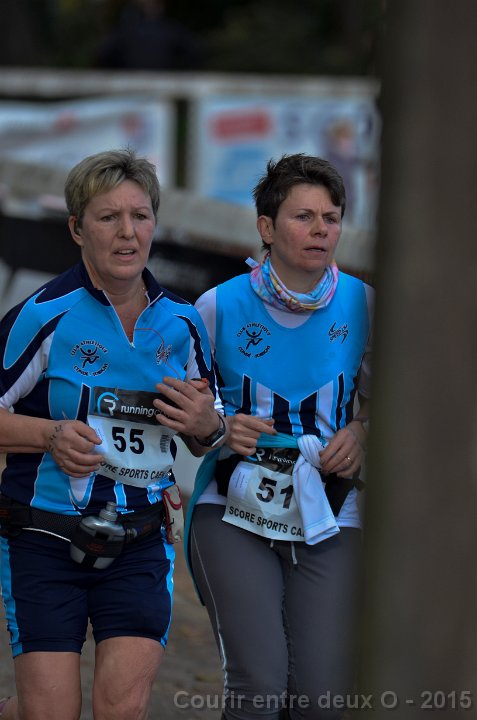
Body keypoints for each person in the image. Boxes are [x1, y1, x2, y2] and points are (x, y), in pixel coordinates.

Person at [0, 148, 227, 720]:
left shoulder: (183, 322)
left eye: (140, 216)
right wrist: (49, 435)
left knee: (121, 709)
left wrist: (206, 426)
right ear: (78, 229)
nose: (128, 232)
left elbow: (208, 432)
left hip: (140, 543)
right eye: (108, 217)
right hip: (42, 538)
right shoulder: (43, 315)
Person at [185, 153, 374, 719]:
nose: (321, 230)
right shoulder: (216, 306)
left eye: (331, 218)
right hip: (231, 505)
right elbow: (191, 427)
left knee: (322, 699)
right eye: (304, 216)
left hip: (330, 507)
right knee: (260, 688)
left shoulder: (366, 303)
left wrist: (362, 430)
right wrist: (220, 427)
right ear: (266, 228)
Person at [95, 0, 202, 71]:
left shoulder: (170, 30)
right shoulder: (125, 30)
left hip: (158, 87)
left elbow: (103, 53)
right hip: (133, 87)